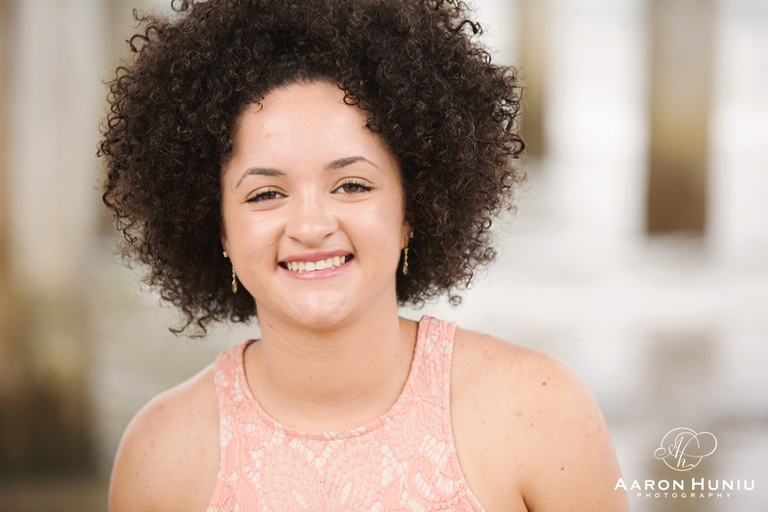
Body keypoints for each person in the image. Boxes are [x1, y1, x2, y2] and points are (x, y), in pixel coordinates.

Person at [100, 0, 629, 510]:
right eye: (265, 194)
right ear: (217, 227)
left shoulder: (538, 412)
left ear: (411, 210)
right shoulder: (159, 456)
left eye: (352, 185)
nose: (311, 226)